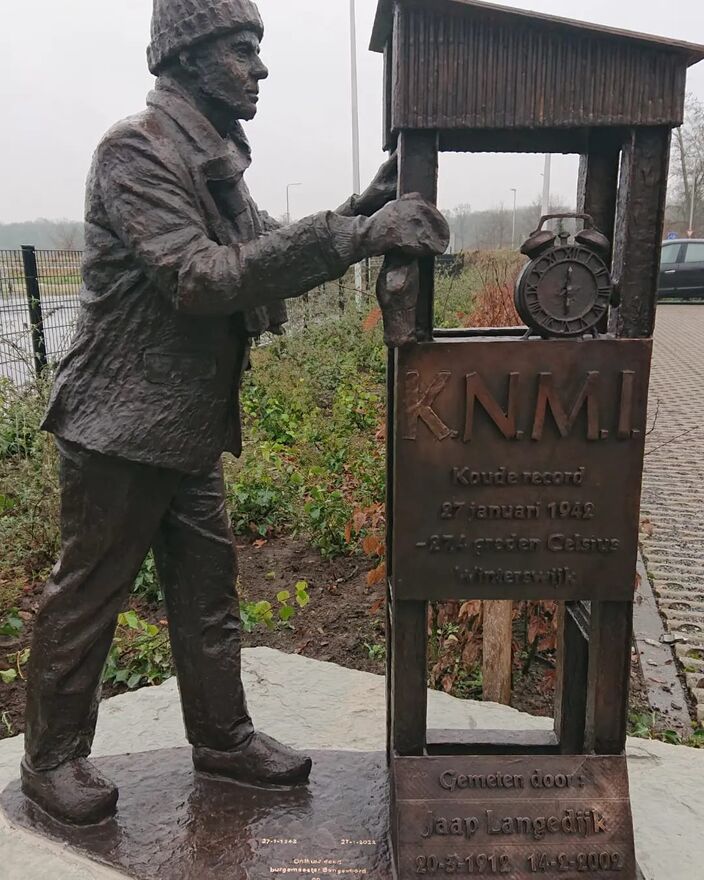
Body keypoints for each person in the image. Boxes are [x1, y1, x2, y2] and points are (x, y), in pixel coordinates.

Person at [21, 0, 449, 826]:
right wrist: (356, 237)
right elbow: (203, 276)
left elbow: (260, 244)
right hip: (118, 427)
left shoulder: (214, 154)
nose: (261, 69)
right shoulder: (135, 151)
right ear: (187, 57)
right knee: (87, 597)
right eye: (243, 50)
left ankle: (222, 738)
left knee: (208, 594)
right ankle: (52, 759)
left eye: (259, 51)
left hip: (184, 426)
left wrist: (359, 211)